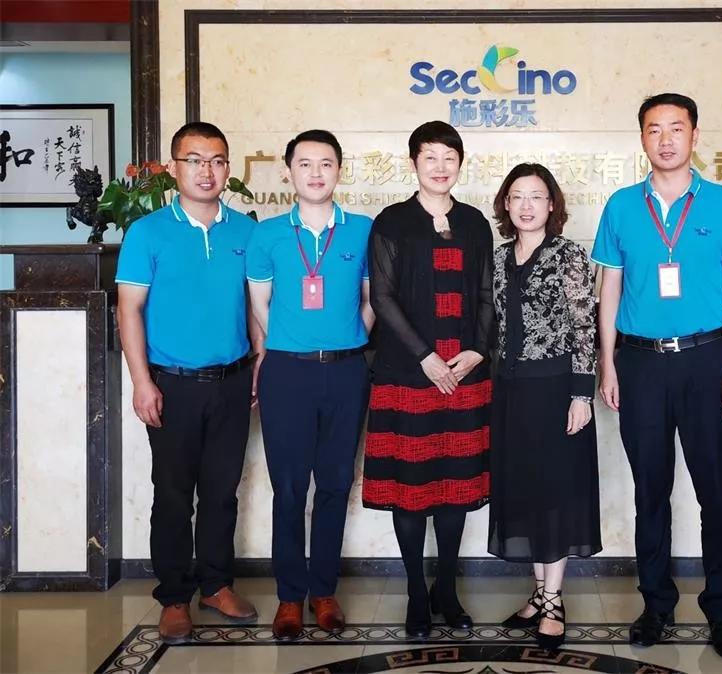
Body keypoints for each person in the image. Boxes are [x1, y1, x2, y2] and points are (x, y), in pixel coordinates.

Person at [592, 93, 722, 659]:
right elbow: (609, 290)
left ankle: (721, 611)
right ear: (641, 138)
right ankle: (656, 606)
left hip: (706, 360)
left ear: (694, 135)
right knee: (651, 491)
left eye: (676, 128)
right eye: (654, 129)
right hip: (640, 363)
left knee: (715, 491)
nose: (665, 139)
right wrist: (608, 362)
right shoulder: (621, 206)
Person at [116, 121, 262, 644]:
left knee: (222, 492)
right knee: (174, 494)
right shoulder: (148, 232)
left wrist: (260, 363)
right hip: (171, 384)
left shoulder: (246, 231)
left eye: (217, 161)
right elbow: (129, 309)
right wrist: (141, 381)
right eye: (195, 160)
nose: (207, 170)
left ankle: (216, 585)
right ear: (174, 167)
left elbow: (255, 307)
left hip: (232, 381)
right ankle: (175, 597)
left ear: (228, 168)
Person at [361, 121, 494, 639]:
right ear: (413, 163)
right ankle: (417, 592)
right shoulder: (393, 222)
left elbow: (485, 294)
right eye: (430, 157)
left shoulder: (475, 223)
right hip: (408, 375)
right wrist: (425, 356)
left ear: (460, 164)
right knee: (411, 491)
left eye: (449, 158)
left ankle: (447, 590)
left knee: (456, 489)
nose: (440, 167)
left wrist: (476, 351)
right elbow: (382, 297)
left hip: (464, 374)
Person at [246, 130, 374, 640]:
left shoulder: (362, 230)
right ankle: (289, 596)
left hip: (346, 371)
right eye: (305, 164)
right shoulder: (268, 235)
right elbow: (260, 304)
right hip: (287, 373)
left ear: (340, 170)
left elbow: (371, 299)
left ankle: (324, 592)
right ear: (289, 172)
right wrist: (289, 340)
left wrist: (350, 335)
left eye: (325, 163)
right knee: (289, 487)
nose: (316, 173)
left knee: (336, 484)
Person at [488, 163, 601, 650]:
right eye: (517, 196)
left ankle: (554, 600)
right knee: (527, 491)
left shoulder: (568, 254)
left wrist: (582, 394)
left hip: (556, 390)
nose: (527, 205)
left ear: (552, 204)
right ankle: (538, 592)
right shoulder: (498, 257)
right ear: (506, 204)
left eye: (536, 196)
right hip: (510, 391)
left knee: (556, 493)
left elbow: (584, 325)